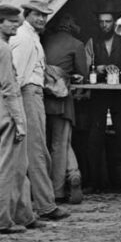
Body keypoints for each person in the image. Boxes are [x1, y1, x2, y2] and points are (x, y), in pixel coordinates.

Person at [0, 3, 39, 233]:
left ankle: (24, 215)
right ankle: (2, 221)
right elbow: (10, 88)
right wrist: (20, 121)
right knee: (7, 169)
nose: (17, 26)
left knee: (19, 166)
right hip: (8, 113)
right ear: (0, 22)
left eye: (18, 21)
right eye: (12, 22)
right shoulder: (3, 49)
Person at [9, 0, 70, 221]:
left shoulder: (32, 36)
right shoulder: (24, 39)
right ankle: (46, 206)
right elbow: (17, 77)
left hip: (34, 93)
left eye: (45, 16)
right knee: (36, 151)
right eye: (37, 15)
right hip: (28, 93)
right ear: (27, 14)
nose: (42, 19)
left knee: (36, 150)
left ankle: (32, 205)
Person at [84, 3, 121, 193]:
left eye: (108, 22)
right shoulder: (91, 43)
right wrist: (97, 69)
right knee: (94, 138)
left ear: (115, 23)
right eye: (101, 22)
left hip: (118, 95)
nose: (105, 25)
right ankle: (94, 183)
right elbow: (85, 69)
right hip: (98, 95)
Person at [42, 12, 88, 205]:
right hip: (61, 100)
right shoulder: (77, 45)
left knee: (50, 144)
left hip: (42, 98)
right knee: (60, 144)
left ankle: (73, 173)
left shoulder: (43, 41)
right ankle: (58, 190)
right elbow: (83, 73)